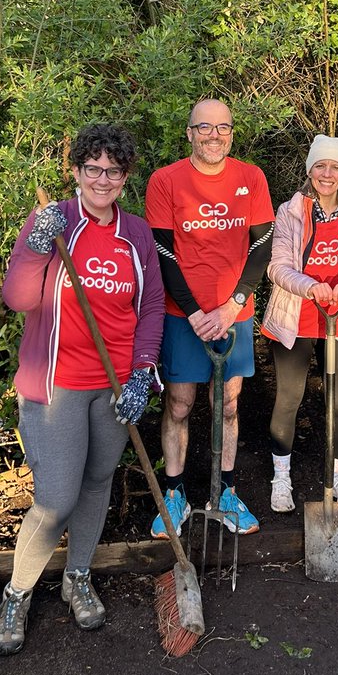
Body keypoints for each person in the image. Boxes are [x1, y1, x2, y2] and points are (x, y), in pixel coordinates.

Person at [0, 124, 164, 655]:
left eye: (114, 170)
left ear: (126, 177)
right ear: (76, 172)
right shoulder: (54, 222)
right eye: (93, 169)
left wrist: (142, 372)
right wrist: (36, 247)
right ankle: (17, 592)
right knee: (56, 497)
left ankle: (78, 577)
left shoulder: (136, 234)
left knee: (97, 482)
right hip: (56, 387)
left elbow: (151, 305)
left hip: (113, 388)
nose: (103, 179)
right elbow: (18, 298)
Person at [145, 98, 274, 538]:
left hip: (234, 313)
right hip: (184, 315)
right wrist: (198, 313)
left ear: (231, 133)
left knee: (230, 403)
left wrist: (232, 305)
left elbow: (262, 246)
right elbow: (163, 252)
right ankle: (175, 492)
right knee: (180, 404)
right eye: (204, 127)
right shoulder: (165, 181)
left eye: (222, 128)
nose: (214, 135)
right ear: (189, 132)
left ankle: (226, 492)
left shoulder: (250, 177)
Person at [261, 135, 338, 513]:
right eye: (320, 166)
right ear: (310, 170)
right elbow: (276, 266)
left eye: (335, 167)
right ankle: (282, 478)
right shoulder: (291, 211)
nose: (327, 174)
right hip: (297, 317)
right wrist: (311, 286)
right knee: (289, 398)